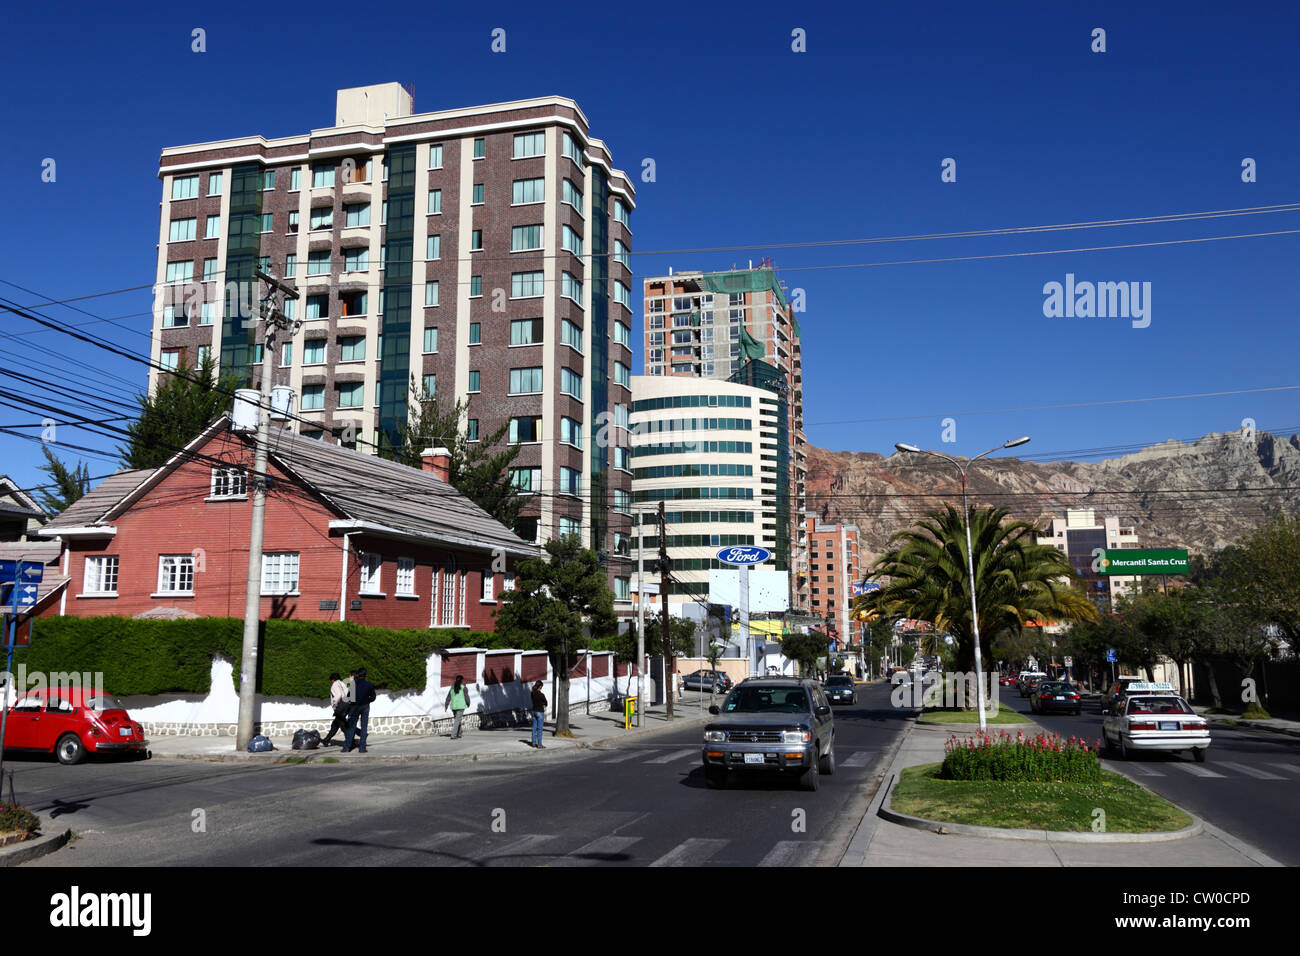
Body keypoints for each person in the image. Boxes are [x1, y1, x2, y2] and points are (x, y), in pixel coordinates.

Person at [343, 667, 376, 753]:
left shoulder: (353, 684)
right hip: (365, 707)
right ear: (366, 675)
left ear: (357, 674)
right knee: (364, 727)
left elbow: (348, 697)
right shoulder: (369, 685)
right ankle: (362, 748)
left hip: (354, 707)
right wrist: (367, 701)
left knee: (352, 727)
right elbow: (373, 697)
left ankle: (347, 747)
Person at [321, 672, 349, 746]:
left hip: (339, 707)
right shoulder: (343, 684)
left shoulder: (334, 685)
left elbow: (338, 696)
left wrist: (334, 704)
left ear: (333, 679)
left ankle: (350, 741)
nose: (331, 682)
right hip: (346, 706)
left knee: (343, 726)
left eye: (331, 680)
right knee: (335, 725)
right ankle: (326, 740)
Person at [445, 675, 471, 739]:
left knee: (457, 720)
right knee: (457, 721)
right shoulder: (463, 687)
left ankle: (459, 733)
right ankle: (453, 735)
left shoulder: (452, 687)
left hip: (453, 706)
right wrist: (468, 703)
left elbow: (448, 697)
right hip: (461, 706)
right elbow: (466, 696)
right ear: (462, 680)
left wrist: (446, 705)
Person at [530, 681, 547, 749]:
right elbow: (546, 703)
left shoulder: (532, 693)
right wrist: (543, 703)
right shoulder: (541, 695)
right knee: (539, 729)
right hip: (540, 712)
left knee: (534, 728)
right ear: (540, 687)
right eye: (541, 687)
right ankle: (539, 744)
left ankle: (533, 743)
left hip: (534, 711)